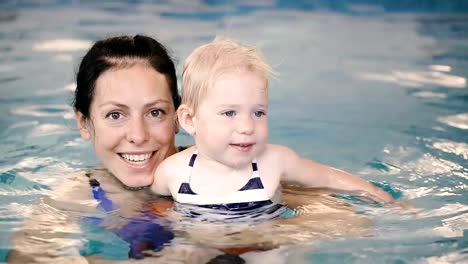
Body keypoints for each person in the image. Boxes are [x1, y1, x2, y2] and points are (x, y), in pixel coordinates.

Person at [8, 35, 220, 263]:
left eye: (155, 112)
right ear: (84, 123)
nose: (138, 136)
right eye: (115, 115)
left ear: (179, 117)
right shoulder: (80, 194)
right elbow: (24, 258)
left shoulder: (222, 171)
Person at [151, 37, 396, 212]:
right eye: (229, 113)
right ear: (189, 120)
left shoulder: (274, 161)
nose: (247, 126)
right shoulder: (173, 172)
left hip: (262, 245)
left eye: (258, 113)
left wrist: (382, 197)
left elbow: (328, 177)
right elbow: (150, 211)